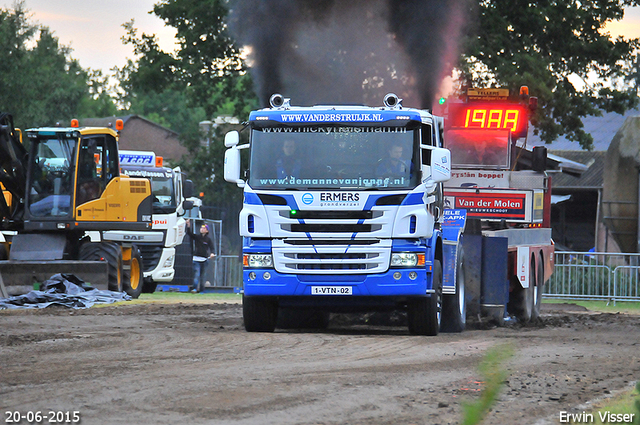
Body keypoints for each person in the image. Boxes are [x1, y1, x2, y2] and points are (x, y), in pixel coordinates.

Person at [186, 219, 216, 293]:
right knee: (197, 274)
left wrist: (212, 253)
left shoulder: (208, 239)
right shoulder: (197, 237)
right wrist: (188, 226)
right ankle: (194, 288)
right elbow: (189, 233)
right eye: (201, 228)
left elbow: (212, 248)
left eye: (204, 228)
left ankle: (202, 290)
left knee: (203, 276)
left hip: (204, 260)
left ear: (207, 231)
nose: (202, 229)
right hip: (196, 259)